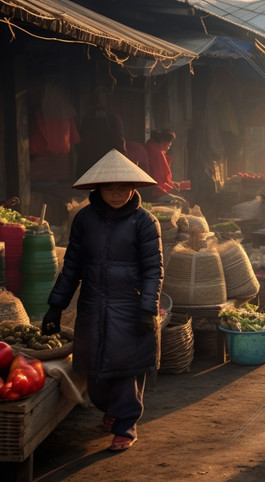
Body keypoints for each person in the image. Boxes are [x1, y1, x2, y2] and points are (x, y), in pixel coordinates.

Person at [40, 149, 162, 452]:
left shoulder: (145, 222)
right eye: (110, 187)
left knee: (125, 368)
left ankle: (126, 424)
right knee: (93, 366)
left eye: (123, 187)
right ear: (98, 188)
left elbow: (153, 270)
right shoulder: (83, 219)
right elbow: (72, 266)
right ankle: (110, 409)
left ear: (134, 188)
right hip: (93, 303)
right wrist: (56, 305)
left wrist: (148, 309)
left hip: (130, 305)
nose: (117, 194)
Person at [142, 128, 187, 207]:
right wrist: (171, 188)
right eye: (169, 145)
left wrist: (171, 184)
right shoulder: (157, 153)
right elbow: (158, 180)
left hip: (151, 190)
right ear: (163, 141)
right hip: (155, 193)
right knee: (182, 203)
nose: (169, 147)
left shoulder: (150, 147)